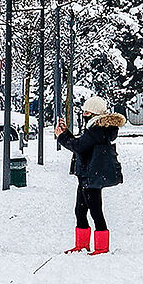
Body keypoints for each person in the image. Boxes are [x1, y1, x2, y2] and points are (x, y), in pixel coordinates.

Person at [55, 96, 126, 255]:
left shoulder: (96, 130)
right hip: (88, 175)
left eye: (88, 112)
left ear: (96, 114)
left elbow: (78, 147)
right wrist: (66, 133)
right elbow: (83, 145)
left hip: (90, 176)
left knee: (95, 210)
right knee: (80, 210)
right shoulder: (97, 128)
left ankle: (101, 247)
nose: (84, 114)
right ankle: (82, 244)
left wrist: (61, 136)